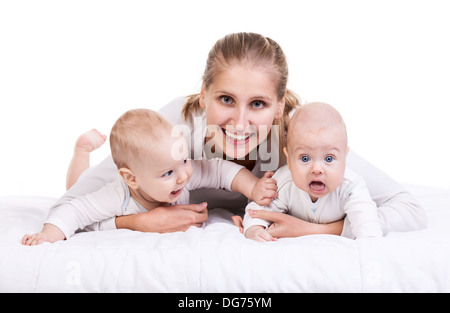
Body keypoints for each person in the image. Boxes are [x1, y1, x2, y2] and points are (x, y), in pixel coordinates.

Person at [52, 32, 426, 238]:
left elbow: (409, 209)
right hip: (126, 195)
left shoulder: (301, 140)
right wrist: (134, 222)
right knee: (85, 179)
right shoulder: (173, 128)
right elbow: (71, 205)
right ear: (203, 94)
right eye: (227, 99)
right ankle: (80, 154)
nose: (240, 122)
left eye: (259, 104)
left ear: (281, 108)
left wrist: (320, 230)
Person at [22, 109, 277, 245]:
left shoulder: (180, 171)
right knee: (78, 184)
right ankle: (82, 152)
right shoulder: (116, 197)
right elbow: (73, 211)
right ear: (132, 179)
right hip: (107, 200)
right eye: (167, 173)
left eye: (184, 161)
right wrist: (48, 234)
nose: (183, 176)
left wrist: (254, 187)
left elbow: (219, 170)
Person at [244, 102, 383, 241]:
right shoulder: (283, 183)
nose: (316, 169)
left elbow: (367, 224)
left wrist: (368, 241)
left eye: (329, 158)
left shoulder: (351, 187)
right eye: (305, 158)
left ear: (344, 157)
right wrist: (254, 228)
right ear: (289, 159)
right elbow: (257, 210)